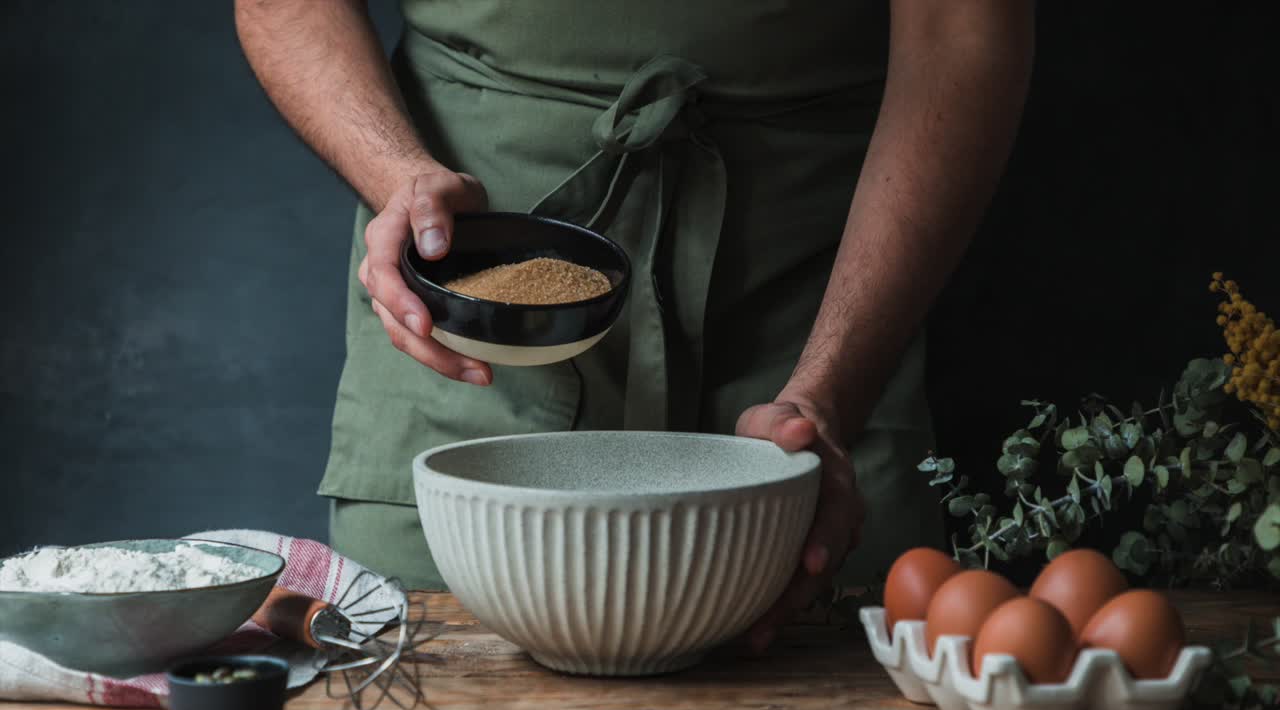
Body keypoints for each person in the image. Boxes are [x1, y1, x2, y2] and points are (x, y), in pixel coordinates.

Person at [235, 0, 1033, 653]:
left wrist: (830, 392)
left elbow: (960, 29)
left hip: (827, 298)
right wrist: (398, 176)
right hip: (468, 313)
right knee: (435, 669)